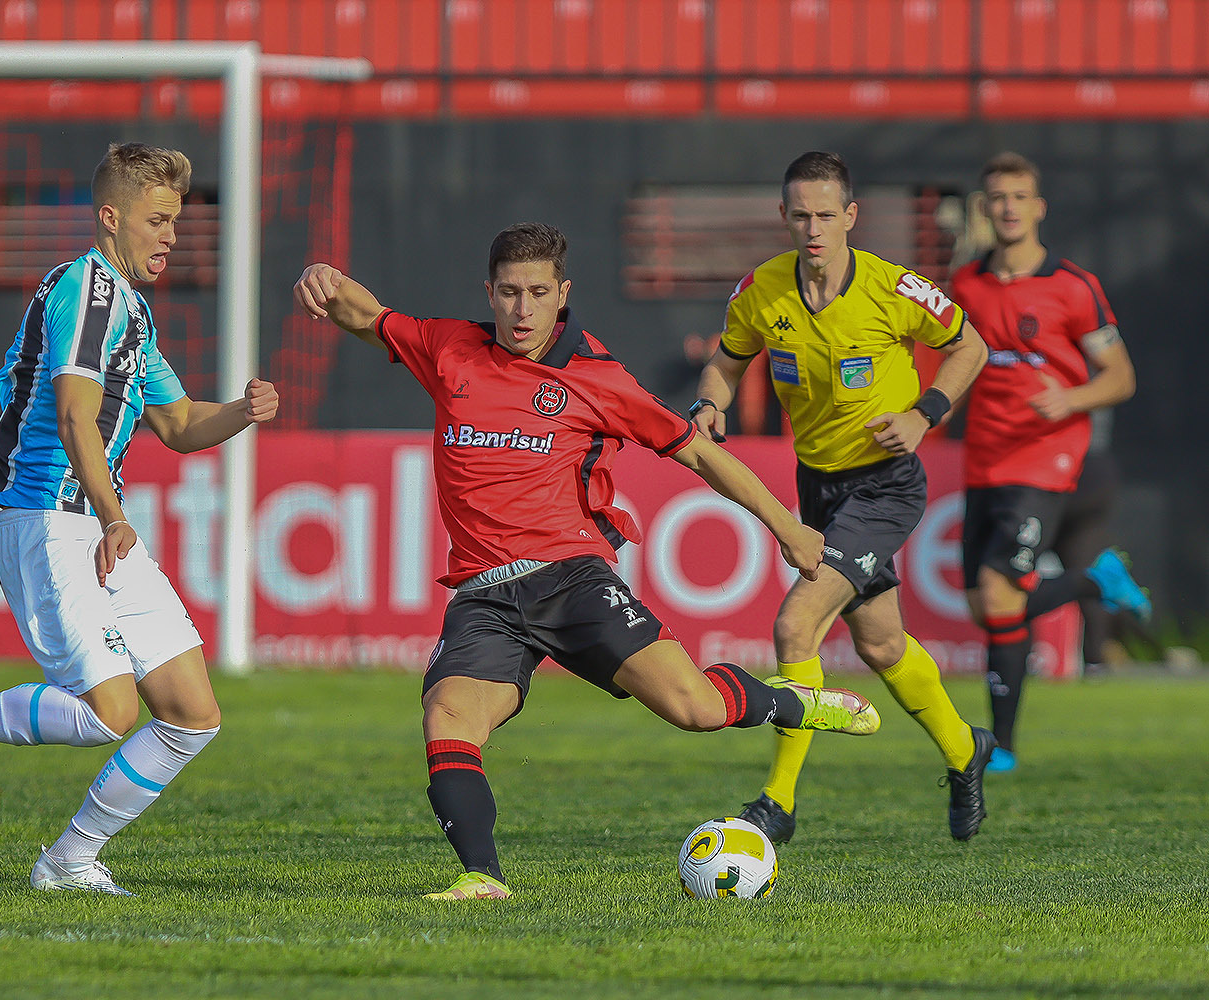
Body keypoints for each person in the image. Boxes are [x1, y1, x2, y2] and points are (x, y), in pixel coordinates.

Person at [294, 222, 880, 901]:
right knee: (448, 719)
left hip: (569, 577)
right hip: (485, 594)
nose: (522, 310)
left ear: (562, 293)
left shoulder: (596, 376)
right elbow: (366, 315)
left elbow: (700, 453)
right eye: (509, 293)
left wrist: (785, 525)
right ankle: (482, 877)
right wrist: (324, 280)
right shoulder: (450, 348)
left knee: (694, 710)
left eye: (537, 293)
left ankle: (788, 701)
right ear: (489, 292)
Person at [0, 143, 279, 894]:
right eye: (157, 221)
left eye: (176, 223)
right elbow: (72, 416)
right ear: (110, 217)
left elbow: (182, 422)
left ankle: (68, 862)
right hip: (51, 521)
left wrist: (242, 414)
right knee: (108, 711)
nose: (170, 236)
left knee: (191, 714)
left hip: (95, 526)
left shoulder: (130, 309)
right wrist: (114, 514)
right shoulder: (85, 291)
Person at [693, 151, 993, 844]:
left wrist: (925, 414)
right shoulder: (763, 291)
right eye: (800, 215)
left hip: (884, 485)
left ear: (852, 216)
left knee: (796, 626)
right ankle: (961, 749)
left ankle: (779, 802)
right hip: (819, 486)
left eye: (827, 214)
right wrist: (709, 403)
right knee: (884, 646)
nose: (813, 228)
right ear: (784, 218)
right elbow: (726, 361)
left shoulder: (894, 288)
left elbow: (970, 345)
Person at [949, 152, 1148, 772]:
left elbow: (1120, 378)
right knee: (988, 608)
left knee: (999, 591)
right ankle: (1095, 580)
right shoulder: (966, 286)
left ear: (1039, 207)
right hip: (983, 455)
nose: (1007, 207)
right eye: (997, 197)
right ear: (986, 208)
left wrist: (1071, 397)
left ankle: (1002, 746)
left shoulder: (1073, 285)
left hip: (1045, 456)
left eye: (1019, 196)